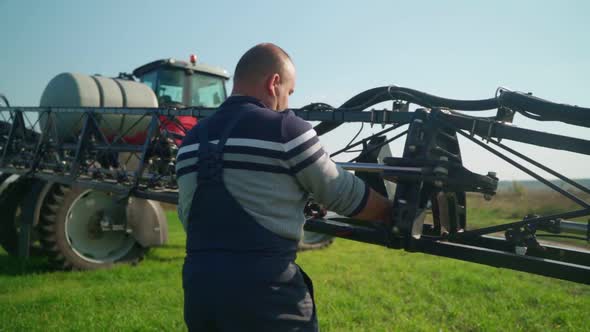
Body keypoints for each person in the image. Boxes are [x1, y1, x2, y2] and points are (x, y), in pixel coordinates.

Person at [177, 43, 392, 332]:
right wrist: (394, 212)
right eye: (289, 92)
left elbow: (188, 215)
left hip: (200, 294)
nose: (288, 103)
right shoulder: (285, 130)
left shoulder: (190, 140)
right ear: (274, 83)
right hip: (267, 297)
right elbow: (345, 195)